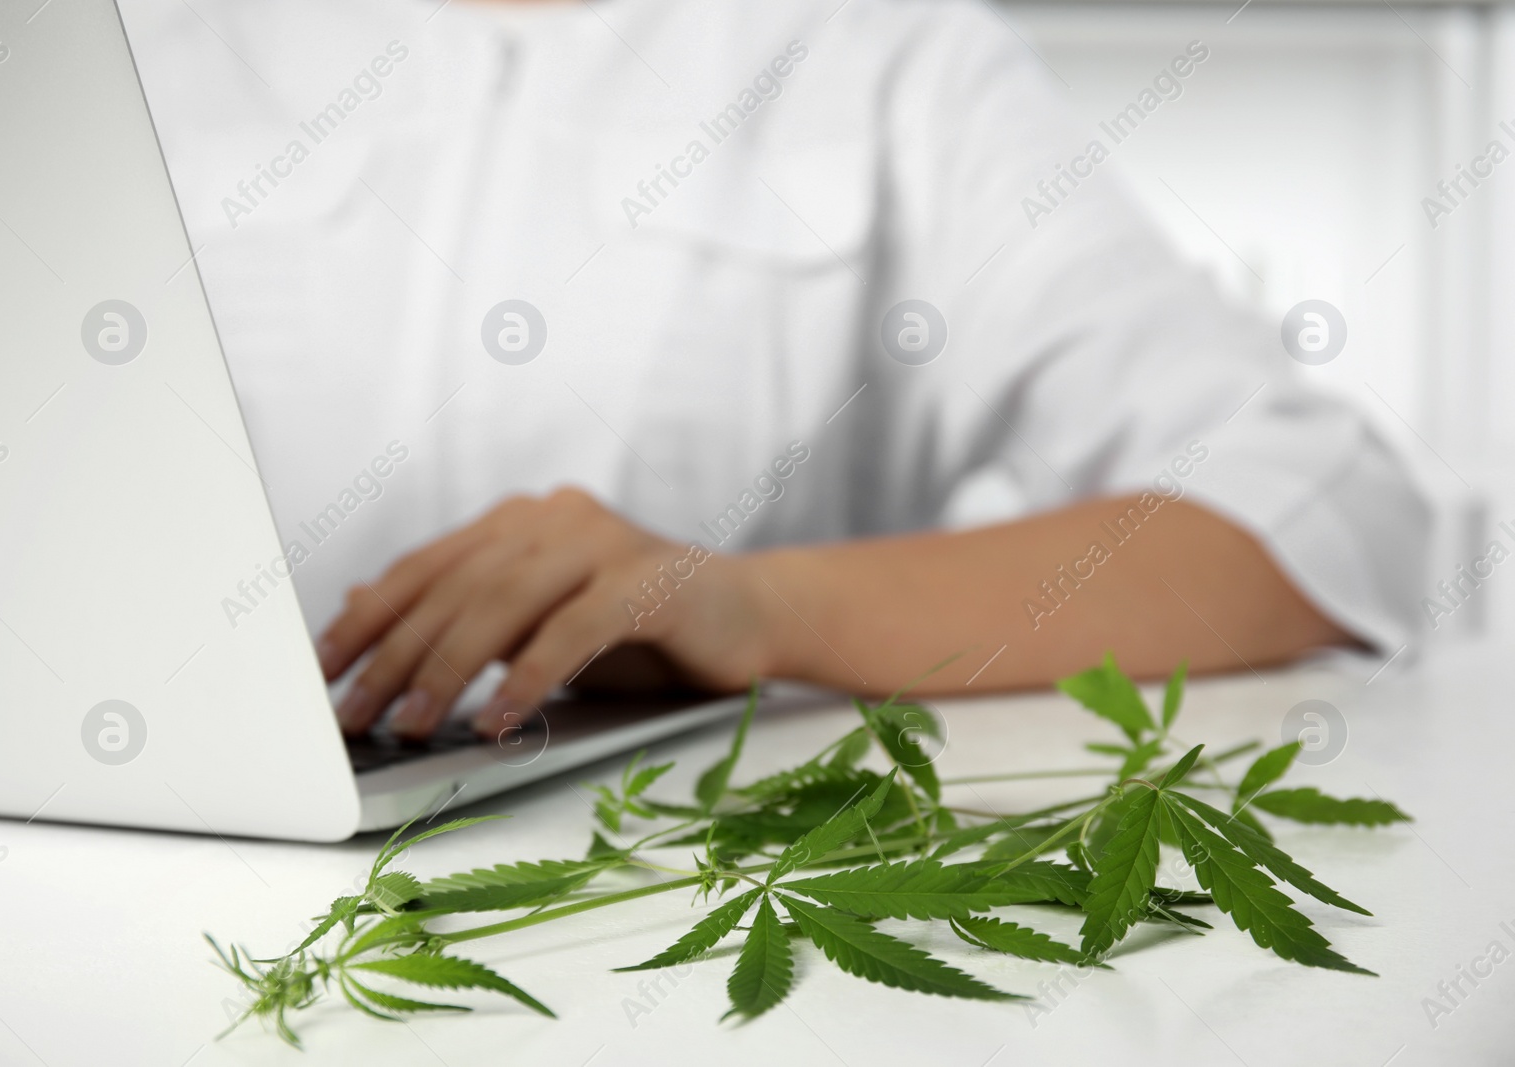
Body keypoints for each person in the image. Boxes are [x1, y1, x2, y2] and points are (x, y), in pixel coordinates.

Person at [123, 0, 1427, 741]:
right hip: (119, 884)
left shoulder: (891, 56)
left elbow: (1321, 515)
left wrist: (751, 608)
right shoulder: (121, 39)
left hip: (675, 914)